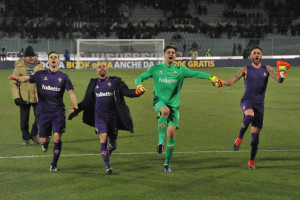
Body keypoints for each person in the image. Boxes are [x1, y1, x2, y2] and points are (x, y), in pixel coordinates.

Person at [135, 45, 223, 172]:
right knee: (165, 111)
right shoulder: (155, 69)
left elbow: (196, 73)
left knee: (171, 135)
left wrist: (212, 77)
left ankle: (167, 164)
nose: (171, 54)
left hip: (174, 106)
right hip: (159, 102)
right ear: (164, 55)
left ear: (176, 56)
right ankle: (160, 143)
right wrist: (139, 85)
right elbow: (139, 78)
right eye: (168, 52)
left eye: (173, 53)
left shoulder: (181, 70)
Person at [68, 62, 146, 174]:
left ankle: (109, 150)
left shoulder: (116, 82)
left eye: (104, 66)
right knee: (103, 137)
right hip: (100, 117)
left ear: (107, 69)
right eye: (99, 67)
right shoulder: (93, 84)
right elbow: (86, 102)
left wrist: (137, 92)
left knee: (113, 145)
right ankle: (108, 167)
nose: (102, 68)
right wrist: (76, 110)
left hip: (114, 118)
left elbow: (127, 92)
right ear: (96, 71)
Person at [222, 47, 290, 169]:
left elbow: (279, 80)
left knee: (254, 139)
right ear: (251, 56)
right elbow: (233, 80)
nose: (257, 55)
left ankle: (251, 161)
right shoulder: (245, 69)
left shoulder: (267, 68)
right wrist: (222, 82)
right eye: (254, 53)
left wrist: (282, 73)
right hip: (247, 101)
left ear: (261, 56)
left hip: (260, 105)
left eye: (259, 53)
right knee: (249, 115)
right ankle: (239, 137)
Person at [9, 51, 78, 172]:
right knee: (43, 140)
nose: (53, 59)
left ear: (58, 61)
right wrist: (16, 78)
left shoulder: (64, 77)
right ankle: (45, 143)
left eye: (55, 57)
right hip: (43, 112)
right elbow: (25, 78)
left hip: (58, 112)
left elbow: (71, 92)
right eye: (51, 57)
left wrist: (76, 107)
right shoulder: (40, 74)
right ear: (48, 61)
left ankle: (54, 164)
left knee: (57, 138)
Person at [10, 46, 44, 146]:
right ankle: (26, 138)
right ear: (25, 57)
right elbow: (13, 82)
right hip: (23, 98)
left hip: (37, 97)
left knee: (40, 117)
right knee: (24, 120)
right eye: (30, 56)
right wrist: (16, 97)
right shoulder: (19, 66)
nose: (32, 58)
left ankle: (34, 135)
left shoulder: (39, 65)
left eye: (33, 56)